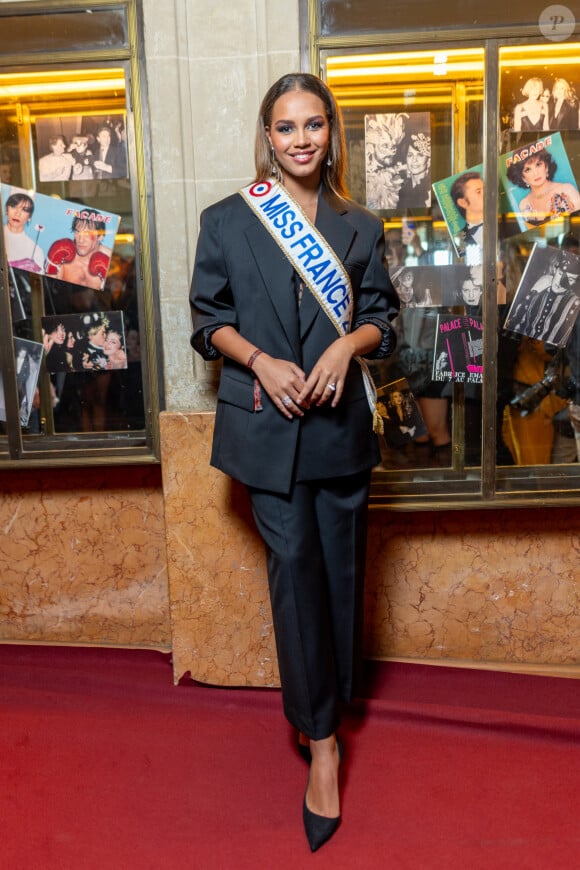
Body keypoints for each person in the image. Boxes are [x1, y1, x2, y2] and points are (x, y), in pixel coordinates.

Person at [190, 72, 399, 852]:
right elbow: (208, 319)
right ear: (267, 136)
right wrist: (260, 362)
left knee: (341, 575)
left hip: (341, 428)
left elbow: (382, 315)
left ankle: (333, 708)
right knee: (296, 576)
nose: (302, 139)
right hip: (268, 432)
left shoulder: (360, 225)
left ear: (331, 132)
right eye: (287, 127)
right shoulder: (227, 219)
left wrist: (349, 344)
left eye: (315, 124)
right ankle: (321, 743)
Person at [506, 148, 580, 228]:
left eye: (538, 165)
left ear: (546, 166)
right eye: (527, 170)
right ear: (523, 177)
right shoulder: (524, 204)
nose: (535, 173)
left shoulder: (567, 190)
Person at [45, 215, 112, 290]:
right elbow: (51, 290)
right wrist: (51, 267)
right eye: (77, 232)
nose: (81, 240)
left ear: (100, 237)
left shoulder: (110, 259)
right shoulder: (62, 254)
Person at [365, 112, 407, 210]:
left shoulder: (400, 175)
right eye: (385, 146)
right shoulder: (366, 178)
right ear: (371, 147)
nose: (392, 152)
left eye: (393, 147)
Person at [3, 191, 45, 273]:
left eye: (24, 210)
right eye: (13, 206)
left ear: (29, 216)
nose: (17, 213)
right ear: (6, 210)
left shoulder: (36, 250)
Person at [450, 170, 484, 264]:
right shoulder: (459, 241)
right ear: (463, 202)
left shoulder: (505, 226)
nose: (486, 194)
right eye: (478, 192)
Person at [397, 132, 431, 208]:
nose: (414, 160)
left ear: (428, 161)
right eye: (410, 155)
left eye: (420, 155)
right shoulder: (402, 190)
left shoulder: (430, 192)